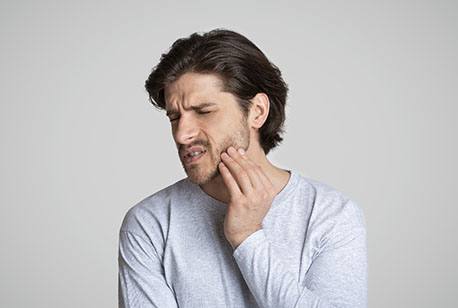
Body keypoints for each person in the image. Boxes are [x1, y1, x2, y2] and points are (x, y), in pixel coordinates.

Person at [118, 28, 368, 308]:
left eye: (203, 111)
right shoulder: (149, 224)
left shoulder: (331, 215)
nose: (182, 134)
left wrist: (247, 237)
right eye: (175, 117)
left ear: (257, 111)